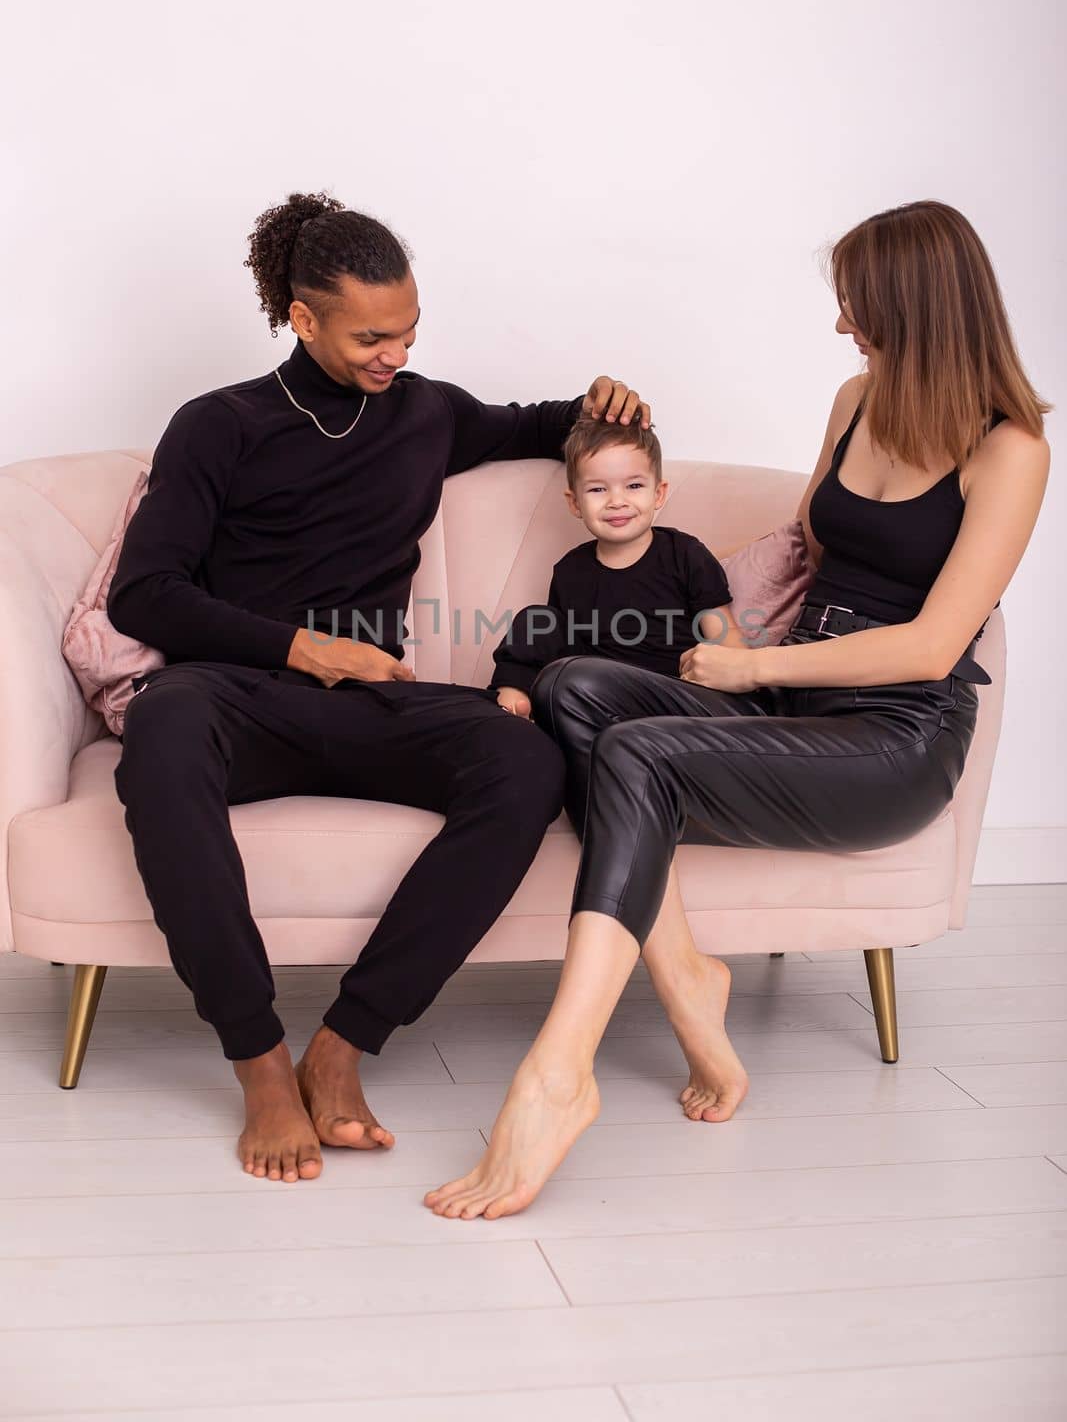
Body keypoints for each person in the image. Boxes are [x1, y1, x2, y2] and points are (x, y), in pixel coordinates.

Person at [425, 198, 1052, 1222]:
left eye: (856, 307)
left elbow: (937, 641)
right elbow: (812, 540)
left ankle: (556, 1076)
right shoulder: (854, 397)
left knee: (637, 756)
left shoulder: (1008, 449)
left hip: (889, 740)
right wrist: (728, 634)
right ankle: (685, 976)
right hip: (798, 699)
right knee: (577, 684)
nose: (842, 326)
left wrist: (749, 672)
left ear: (914, 307)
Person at [107, 190, 651, 1184]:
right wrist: (303, 647)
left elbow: (544, 423)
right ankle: (261, 1062)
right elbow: (144, 594)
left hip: (373, 703)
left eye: (406, 330)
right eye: (369, 336)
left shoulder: (428, 413)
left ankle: (344, 1043)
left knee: (523, 759)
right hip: (237, 695)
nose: (391, 354)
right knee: (163, 730)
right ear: (302, 319)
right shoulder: (218, 425)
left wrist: (599, 401)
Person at [490, 414, 748, 720]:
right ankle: (510, 703)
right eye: (598, 490)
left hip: (669, 692)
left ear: (659, 493)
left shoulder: (685, 554)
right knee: (537, 620)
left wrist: (742, 673)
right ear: (574, 503)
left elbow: (723, 633)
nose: (617, 501)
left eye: (634, 485)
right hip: (593, 692)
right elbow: (557, 645)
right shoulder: (570, 570)